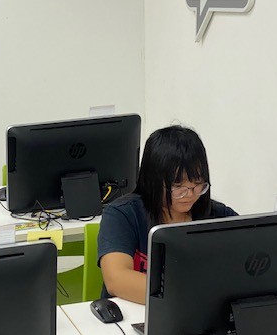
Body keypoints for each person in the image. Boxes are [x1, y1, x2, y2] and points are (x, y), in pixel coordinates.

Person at [97, 125, 237, 304]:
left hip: (195, 314)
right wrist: (192, 295)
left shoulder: (218, 215)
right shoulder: (123, 214)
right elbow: (117, 280)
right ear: (153, 181)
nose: (189, 194)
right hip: (133, 314)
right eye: (178, 187)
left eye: (197, 185)